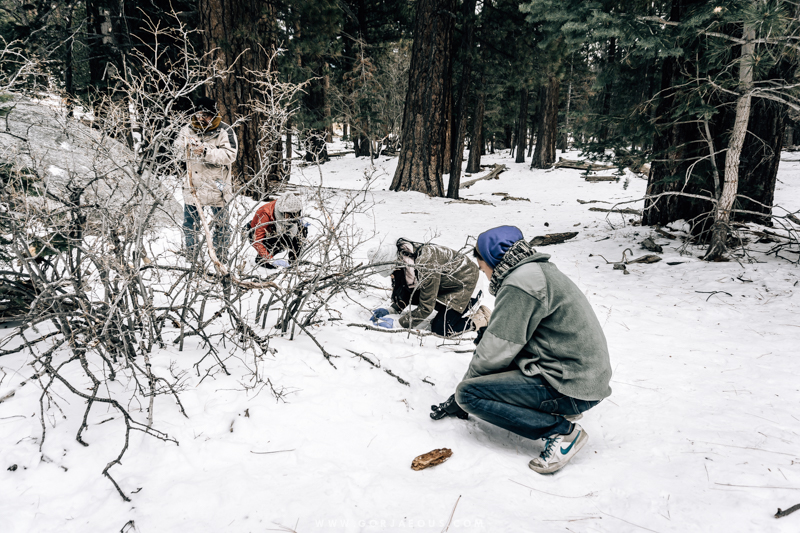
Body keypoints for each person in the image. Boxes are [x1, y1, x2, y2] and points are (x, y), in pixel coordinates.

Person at [430, 226, 612, 474]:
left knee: (469, 394)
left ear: (493, 258)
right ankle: (558, 408)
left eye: (482, 267)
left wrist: (459, 400)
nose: (485, 274)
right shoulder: (537, 271)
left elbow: (497, 351)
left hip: (572, 385)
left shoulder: (521, 284)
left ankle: (561, 432)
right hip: (582, 377)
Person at [368, 238, 490, 336]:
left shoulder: (426, 264)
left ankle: (481, 318)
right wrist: (393, 309)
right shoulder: (407, 256)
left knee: (441, 329)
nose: (393, 276)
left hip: (467, 286)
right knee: (419, 290)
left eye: (393, 272)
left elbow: (426, 308)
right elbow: (408, 290)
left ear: (397, 263)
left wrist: (398, 324)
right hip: (447, 284)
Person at [175, 96, 238, 261]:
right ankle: (192, 258)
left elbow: (230, 155)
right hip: (193, 185)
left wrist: (205, 151)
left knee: (222, 226)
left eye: (206, 115)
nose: (201, 118)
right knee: (190, 225)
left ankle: (222, 258)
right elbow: (176, 152)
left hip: (217, 186)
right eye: (199, 114)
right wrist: (187, 148)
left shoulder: (225, 131)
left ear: (214, 114)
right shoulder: (187, 130)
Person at [245, 193, 308, 269]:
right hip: (257, 232)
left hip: (275, 228)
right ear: (282, 211)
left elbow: (297, 229)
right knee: (281, 240)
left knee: (301, 230)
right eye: (289, 215)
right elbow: (257, 240)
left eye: (296, 215)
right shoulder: (265, 214)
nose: (292, 218)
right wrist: (270, 259)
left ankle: (294, 261)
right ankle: (262, 259)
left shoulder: (290, 210)